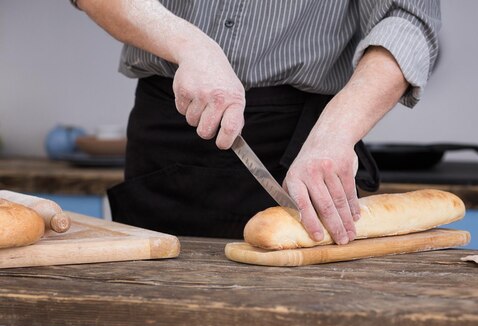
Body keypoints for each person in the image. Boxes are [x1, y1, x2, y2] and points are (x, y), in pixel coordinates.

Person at [71, 0, 441, 244]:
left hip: (304, 145)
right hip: (170, 126)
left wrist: (336, 133)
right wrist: (191, 46)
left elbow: (406, 19)